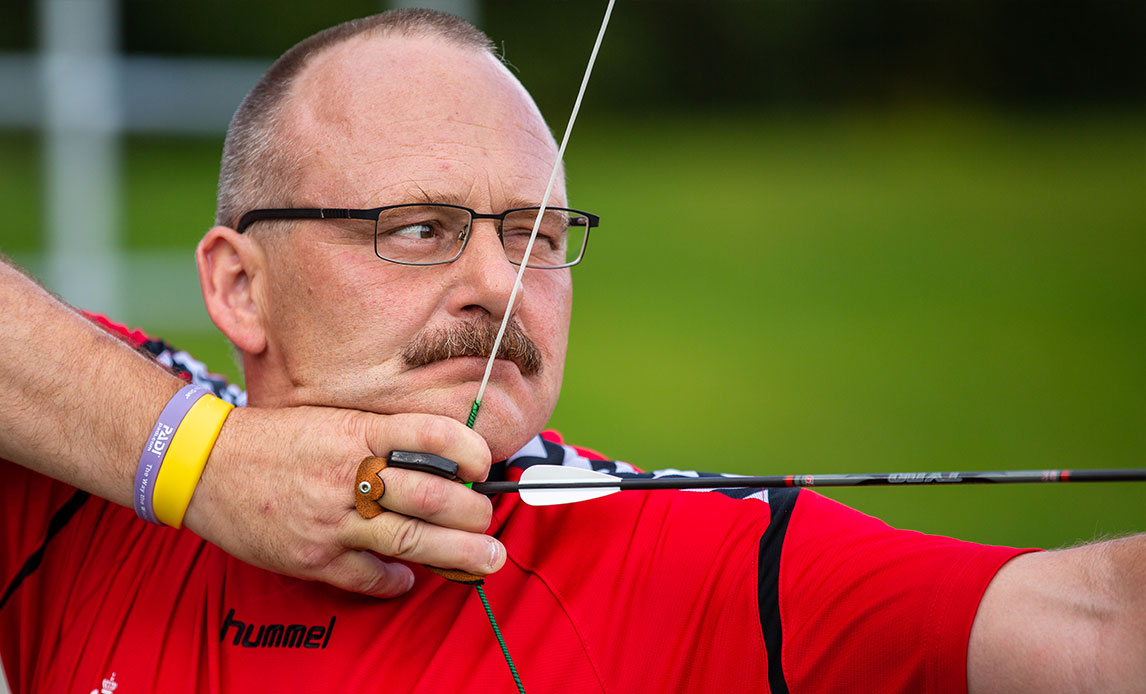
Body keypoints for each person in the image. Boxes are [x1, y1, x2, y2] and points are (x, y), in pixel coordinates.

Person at [1, 10, 1142, 694]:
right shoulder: (94, 464)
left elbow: (1095, 626)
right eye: (421, 228)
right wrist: (203, 464)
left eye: (537, 236)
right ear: (238, 285)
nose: (500, 285)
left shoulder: (680, 558)